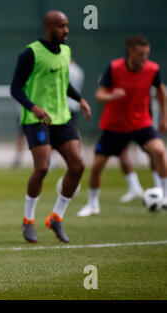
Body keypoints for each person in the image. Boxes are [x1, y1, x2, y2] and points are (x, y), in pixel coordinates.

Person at [10, 10, 91, 243]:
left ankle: (57, 216)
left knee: (77, 166)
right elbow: (15, 88)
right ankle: (28, 220)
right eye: (61, 26)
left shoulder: (66, 51)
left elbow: (63, 82)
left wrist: (80, 99)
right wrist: (33, 107)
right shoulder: (31, 53)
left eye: (66, 26)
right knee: (43, 168)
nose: (66, 30)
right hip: (37, 119)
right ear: (49, 28)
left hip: (62, 118)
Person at [78, 34, 167, 217]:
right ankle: (93, 204)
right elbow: (99, 95)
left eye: (146, 54)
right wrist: (112, 95)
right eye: (140, 54)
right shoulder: (114, 68)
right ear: (130, 52)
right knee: (96, 167)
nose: (144, 58)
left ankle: (165, 195)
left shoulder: (152, 69)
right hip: (114, 125)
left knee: (159, 152)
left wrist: (164, 118)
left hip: (141, 123)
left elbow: (160, 91)